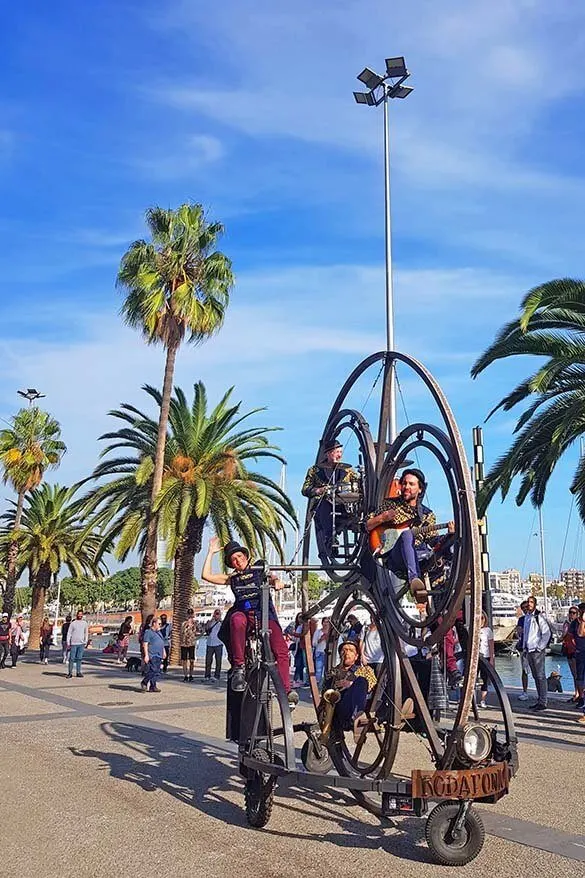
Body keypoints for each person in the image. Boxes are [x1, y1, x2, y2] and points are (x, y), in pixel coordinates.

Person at [202, 537, 298, 706]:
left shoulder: (259, 569)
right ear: (232, 564)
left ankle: (286, 690)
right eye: (233, 559)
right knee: (236, 620)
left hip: (264, 615)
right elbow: (206, 575)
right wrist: (211, 552)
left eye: (239, 556)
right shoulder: (232, 579)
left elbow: (272, 578)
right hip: (245, 616)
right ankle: (239, 667)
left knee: (281, 650)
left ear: (246, 556)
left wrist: (277, 583)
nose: (238, 560)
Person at [366, 468, 449, 605]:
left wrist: (449, 535)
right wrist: (382, 518)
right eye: (404, 483)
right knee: (406, 534)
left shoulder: (426, 515)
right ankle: (414, 580)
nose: (406, 487)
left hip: (419, 555)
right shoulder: (390, 505)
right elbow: (366, 526)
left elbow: (433, 540)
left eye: (411, 484)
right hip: (395, 556)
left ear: (420, 489)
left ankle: (451, 585)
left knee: (450, 545)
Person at [301, 440, 358, 561]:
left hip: (343, 505)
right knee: (324, 505)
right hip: (323, 506)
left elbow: (359, 483)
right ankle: (330, 538)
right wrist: (318, 490)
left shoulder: (347, 470)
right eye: (336, 452)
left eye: (340, 452)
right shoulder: (315, 470)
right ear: (328, 454)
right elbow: (305, 489)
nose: (339, 455)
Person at [324, 640, 376, 742]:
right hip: (340, 709)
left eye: (351, 650)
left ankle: (357, 716)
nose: (346, 653)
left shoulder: (365, 670)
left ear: (356, 656)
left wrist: (350, 684)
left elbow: (371, 685)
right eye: (344, 650)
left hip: (357, 707)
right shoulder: (333, 672)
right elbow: (325, 693)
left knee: (361, 680)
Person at [521, 595, 552, 711]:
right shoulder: (527, 617)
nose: (529, 604)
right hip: (529, 650)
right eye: (528, 602)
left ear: (535, 604)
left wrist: (540, 647)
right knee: (535, 676)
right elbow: (526, 634)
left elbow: (546, 633)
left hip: (536, 650)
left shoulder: (539, 617)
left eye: (531, 602)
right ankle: (540, 699)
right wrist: (524, 647)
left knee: (540, 676)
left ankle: (543, 701)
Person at [569, 603, 585, 724]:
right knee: (580, 680)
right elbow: (577, 634)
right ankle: (581, 700)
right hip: (580, 654)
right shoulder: (576, 623)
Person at [141, 616, 166, 693]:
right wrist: (146, 655)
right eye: (159, 624)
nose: (160, 625)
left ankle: (153, 686)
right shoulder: (148, 632)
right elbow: (145, 644)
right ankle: (144, 682)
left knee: (157, 671)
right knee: (153, 670)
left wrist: (164, 651)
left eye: (160, 624)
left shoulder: (159, 632)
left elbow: (162, 642)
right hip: (152, 654)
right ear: (154, 623)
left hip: (159, 654)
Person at [561, 606, 579, 702]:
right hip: (568, 650)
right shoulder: (567, 624)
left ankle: (579, 693)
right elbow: (563, 635)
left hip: (576, 650)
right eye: (570, 612)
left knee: (578, 674)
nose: (571, 614)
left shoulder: (578, 624)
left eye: (573, 613)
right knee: (574, 674)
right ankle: (576, 692)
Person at [515, 601, 530, 701]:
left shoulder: (535, 618)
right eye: (523, 608)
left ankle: (540, 692)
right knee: (524, 671)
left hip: (533, 648)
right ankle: (525, 691)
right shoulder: (521, 619)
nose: (525, 609)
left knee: (538, 672)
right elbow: (519, 632)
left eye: (526, 607)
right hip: (524, 648)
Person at [478, 611, 495, 708]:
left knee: (485, 678)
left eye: (482, 618)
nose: (480, 621)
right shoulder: (472, 629)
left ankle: (483, 700)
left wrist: (492, 658)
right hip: (475, 657)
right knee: (473, 678)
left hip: (485, 656)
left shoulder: (488, 630)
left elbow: (491, 645)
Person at [66, 610, 89, 679]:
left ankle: (78, 672)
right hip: (73, 643)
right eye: (79, 614)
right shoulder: (73, 623)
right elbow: (69, 633)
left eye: (81, 614)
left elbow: (86, 633)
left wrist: (85, 641)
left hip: (81, 643)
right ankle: (70, 673)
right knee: (72, 658)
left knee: (79, 658)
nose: (80, 615)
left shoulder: (85, 623)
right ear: (77, 615)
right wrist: (68, 643)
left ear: (82, 615)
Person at [203, 609, 223, 684]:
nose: (216, 615)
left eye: (218, 614)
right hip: (210, 643)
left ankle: (217, 675)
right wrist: (212, 619)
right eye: (215, 614)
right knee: (208, 660)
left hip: (218, 643)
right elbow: (206, 629)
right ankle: (207, 675)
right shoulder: (210, 622)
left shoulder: (221, 623)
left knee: (218, 661)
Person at [312, 617, 330, 686]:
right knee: (318, 671)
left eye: (327, 622)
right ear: (322, 623)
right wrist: (321, 639)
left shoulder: (331, 633)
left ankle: (325, 687)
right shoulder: (318, 632)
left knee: (327, 671)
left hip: (328, 653)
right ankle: (317, 687)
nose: (326, 624)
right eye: (324, 622)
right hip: (319, 652)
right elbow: (313, 643)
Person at [180, 609, 197, 682]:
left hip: (191, 643)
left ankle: (191, 675)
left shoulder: (195, 623)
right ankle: (185, 675)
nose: (190, 615)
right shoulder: (184, 623)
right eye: (189, 614)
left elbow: (200, 630)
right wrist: (187, 624)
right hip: (184, 644)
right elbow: (182, 632)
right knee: (184, 660)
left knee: (192, 660)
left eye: (191, 614)